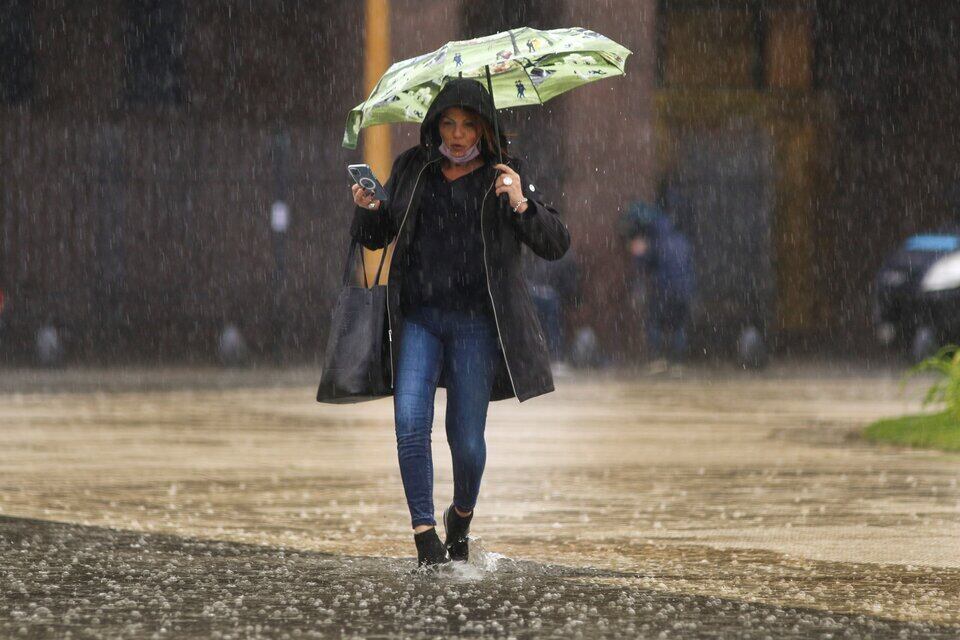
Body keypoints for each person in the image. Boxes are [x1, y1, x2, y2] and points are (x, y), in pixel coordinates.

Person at [350, 78, 570, 568]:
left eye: (468, 125)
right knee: (409, 424)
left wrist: (519, 201)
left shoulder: (505, 174)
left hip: (476, 326)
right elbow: (376, 236)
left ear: (485, 130)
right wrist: (366, 211)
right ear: (435, 126)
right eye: (448, 123)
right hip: (420, 321)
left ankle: (461, 515)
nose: (456, 135)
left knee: (467, 443)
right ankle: (425, 536)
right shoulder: (414, 168)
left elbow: (556, 242)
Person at [619, 202, 695, 373]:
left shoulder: (657, 241)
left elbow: (646, 262)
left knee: (655, 323)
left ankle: (658, 360)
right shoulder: (681, 240)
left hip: (665, 289)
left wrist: (638, 253)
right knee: (678, 326)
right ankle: (678, 363)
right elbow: (689, 266)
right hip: (684, 289)